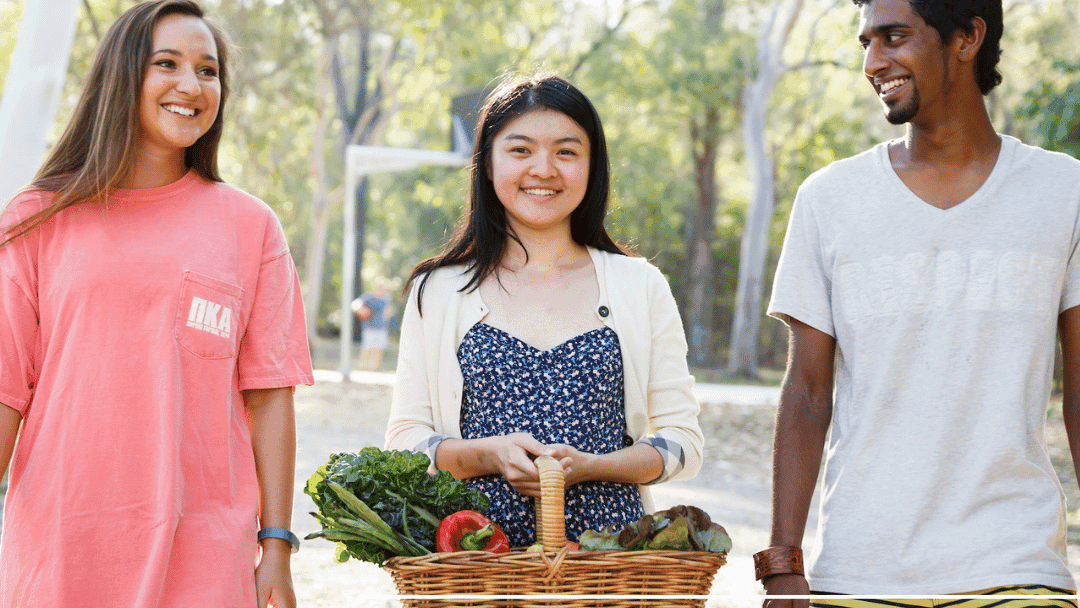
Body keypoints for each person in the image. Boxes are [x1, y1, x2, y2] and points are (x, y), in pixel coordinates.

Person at [758, 0, 1080, 605]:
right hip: (860, 570)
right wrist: (781, 562)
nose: (873, 63)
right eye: (866, 44)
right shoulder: (829, 198)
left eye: (894, 37)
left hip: (1017, 562)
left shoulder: (1064, 192)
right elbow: (806, 392)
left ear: (967, 37)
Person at [0, 2, 314, 607]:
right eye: (166, 63)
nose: (191, 85)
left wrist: (275, 543)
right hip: (61, 547)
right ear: (122, 75)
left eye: (208, 70)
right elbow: (6, 391)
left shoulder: (250, 228)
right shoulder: (38, 218)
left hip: (206, 555)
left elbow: (270, 396)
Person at [384, 73, 703, 547]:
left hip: (608, 566)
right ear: (487, 163)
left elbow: (684, 444)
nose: (543, 169)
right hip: (476, 562)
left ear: (592, 167)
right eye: (520, 150)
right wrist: (489, 455)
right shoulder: (437, 290)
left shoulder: (640, 286)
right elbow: (405, 443)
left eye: (566, 152)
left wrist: (593, 466)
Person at [354, 278, 394, 371]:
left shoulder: (386, 299)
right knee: (367, 348)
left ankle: (374, 368)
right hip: (370, 327)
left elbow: (388, 311)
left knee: (378, 349)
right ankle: (362, 367)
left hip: (382, 328)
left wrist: (388, 315)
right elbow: (355, 304)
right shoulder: (368, 297)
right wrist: (360, 310)